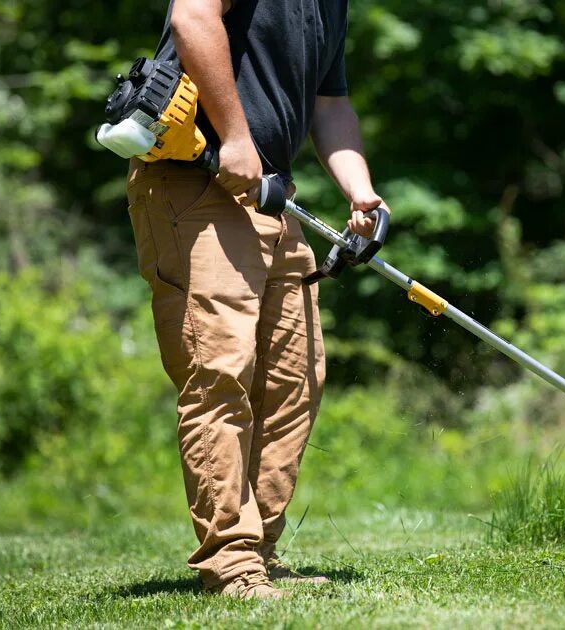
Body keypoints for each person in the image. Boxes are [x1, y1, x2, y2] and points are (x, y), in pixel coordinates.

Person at [125, 0, 387, 599]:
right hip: (195, 178)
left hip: (268, 194)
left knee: (293, 380)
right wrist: (238, 138)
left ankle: (259, 551)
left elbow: (331, 104)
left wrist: (361, 192)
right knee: (219, 371)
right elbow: (192, 17)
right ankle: (231, 560)